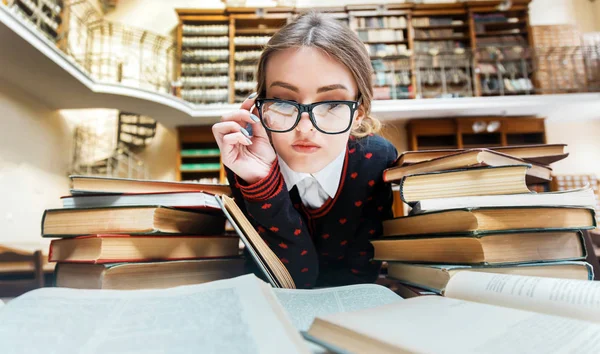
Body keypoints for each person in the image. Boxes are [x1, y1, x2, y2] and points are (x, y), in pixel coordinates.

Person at [212, 11, 398, 289]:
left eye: (333, 103)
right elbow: (282, 279)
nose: (305, 128)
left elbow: (358, 279)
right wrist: (261, 184)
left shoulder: (377, 160)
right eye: (284, 101)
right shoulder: (246, 157)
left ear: (359, 113)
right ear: (258, 108)